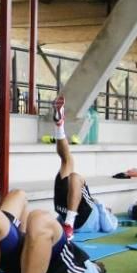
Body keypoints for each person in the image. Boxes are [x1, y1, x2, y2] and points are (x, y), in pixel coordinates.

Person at [49, 95, 118, 239]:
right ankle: (59, 126)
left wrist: (101, 206)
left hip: (82, 216)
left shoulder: (104, 216)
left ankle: (68, 224)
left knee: (75, 176)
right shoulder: (100, 215)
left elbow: (110, 227)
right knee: (67, 161)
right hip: (65, 208)